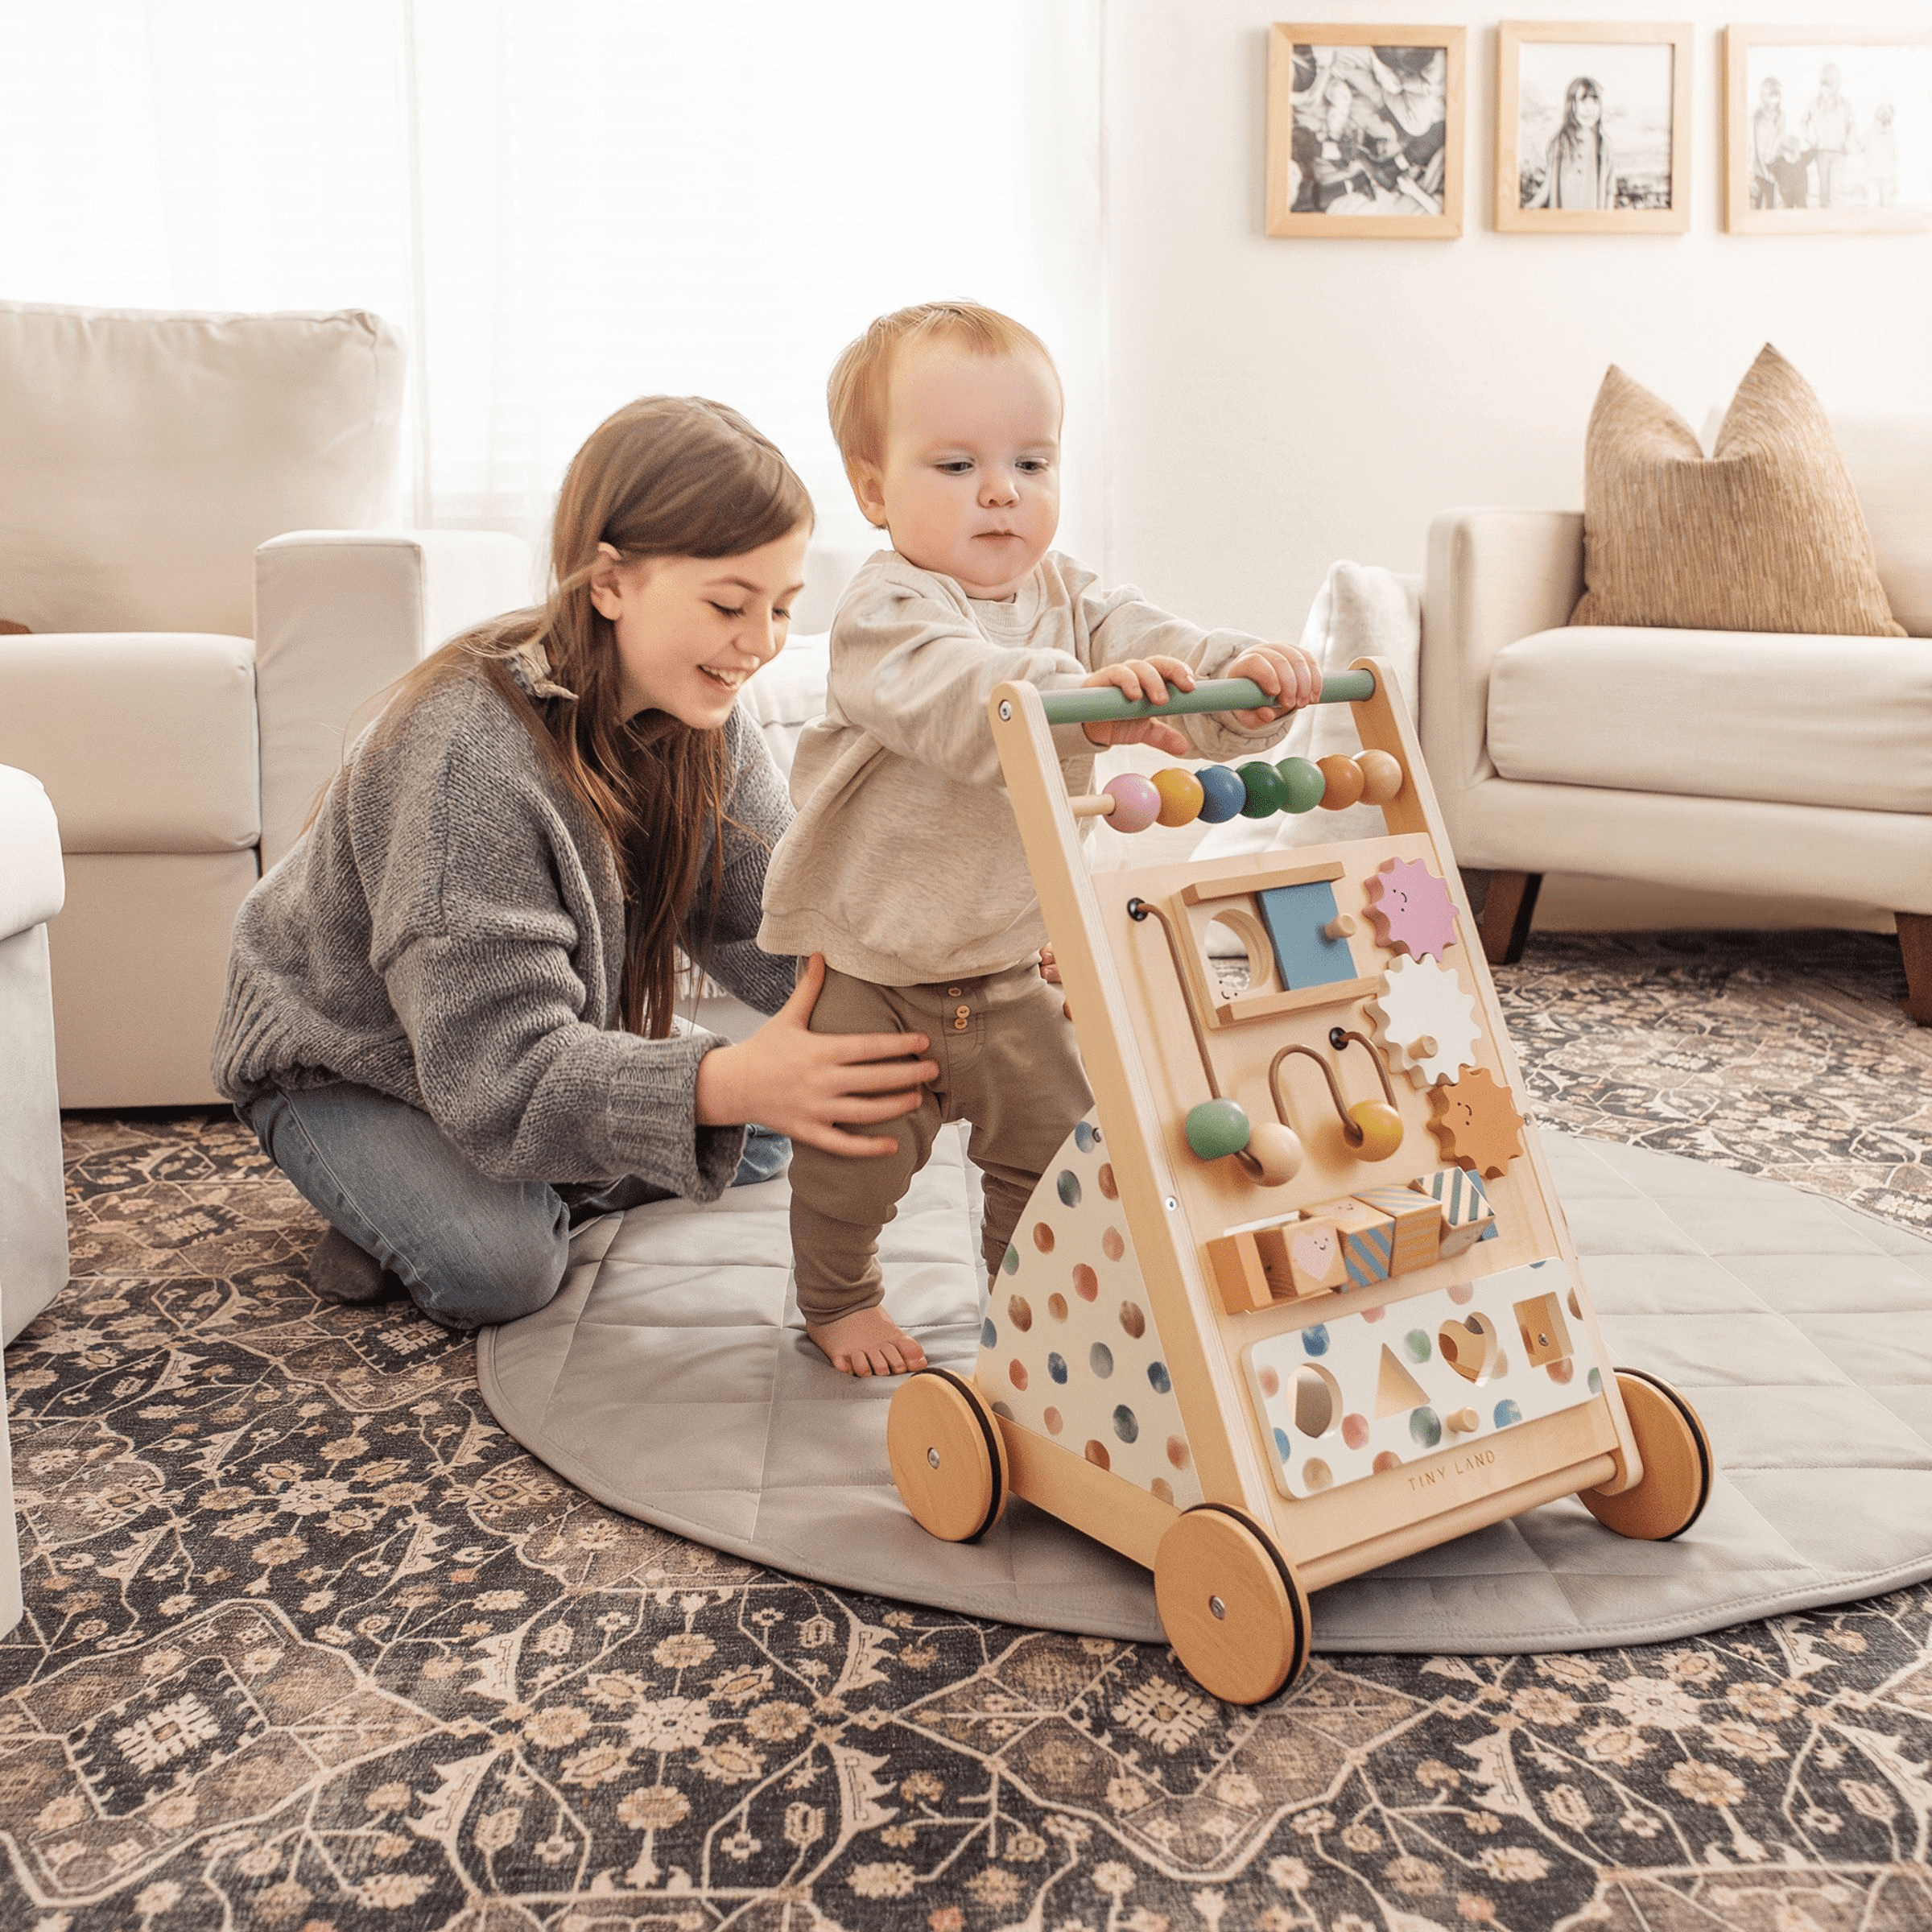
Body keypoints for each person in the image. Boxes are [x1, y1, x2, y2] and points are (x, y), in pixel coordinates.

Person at [213, 397, 938, 1331]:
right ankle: (412, 1195)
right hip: (352, 1057)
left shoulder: (704, 720)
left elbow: (785, 920)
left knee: (766, 1138)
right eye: (728, 604)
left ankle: (493, 1169)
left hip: (508, 1036)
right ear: (609, 583)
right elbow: (496, 1073)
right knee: (502, 1270)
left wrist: (947, 978)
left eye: (783, 609)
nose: (759, 644)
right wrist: (722, 1085)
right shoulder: (464, 760)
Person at [758, 301, 1322, 1376]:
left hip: (1012, 962)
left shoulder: (1074, 597)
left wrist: (1248, 684)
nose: (1003, 490)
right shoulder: (886, 610)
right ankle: (838, 1299)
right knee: (852, 1164)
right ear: (873, 489)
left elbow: (1164, 652)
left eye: (1032, 460)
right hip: (879, 967)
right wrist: (1084, 700)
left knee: (1057, 1151)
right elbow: (961, 698)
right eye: (957, 463)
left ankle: (1029, 1314)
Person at [1525, 76, 1616, 210]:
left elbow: (1610, 191)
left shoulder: (1605, 146)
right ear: (1571, 104)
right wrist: (1527, 208)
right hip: (1562, 224)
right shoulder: (1559, 143)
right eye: (1583, 101)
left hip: (1594, 225)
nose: (1590, 109)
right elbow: (1548, 185)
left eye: (1595, 102)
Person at [1801, 62, 1858, 208]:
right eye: (1825, 83)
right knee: (1824, 191)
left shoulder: (1845, 104)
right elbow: (1803, 122)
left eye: (1833, 83)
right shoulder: (1815, 103)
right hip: (1821, 153)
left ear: (1838, 83)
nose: (1829, 88)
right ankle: (1824, 224)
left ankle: (1837, 223)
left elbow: (1853, 126)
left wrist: (1849, 142)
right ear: (1821, 84)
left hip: (1840, 153)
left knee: (1836, 191)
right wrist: (1809, 137)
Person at [1749, 76, 1785, 210]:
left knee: (1771, 204)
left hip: (1772, 170)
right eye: (1772, 95)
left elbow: (1779, 139)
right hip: (1758, 170)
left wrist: (1773, 153)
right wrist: (1752, 171)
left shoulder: (1781, 116)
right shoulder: (1756, 116)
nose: (1776, 99)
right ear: (1763, 97)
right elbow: (1753, 144)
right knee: (1755, 203)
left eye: (1778, 95)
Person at [1866, 101, 1898, 208]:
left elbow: (1896, 159)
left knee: (1887, 208)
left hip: (1887, 177)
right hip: (1874, 177)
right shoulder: (1870, 135)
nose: (1884, 118)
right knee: (1874, 208)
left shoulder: (1894, 137)